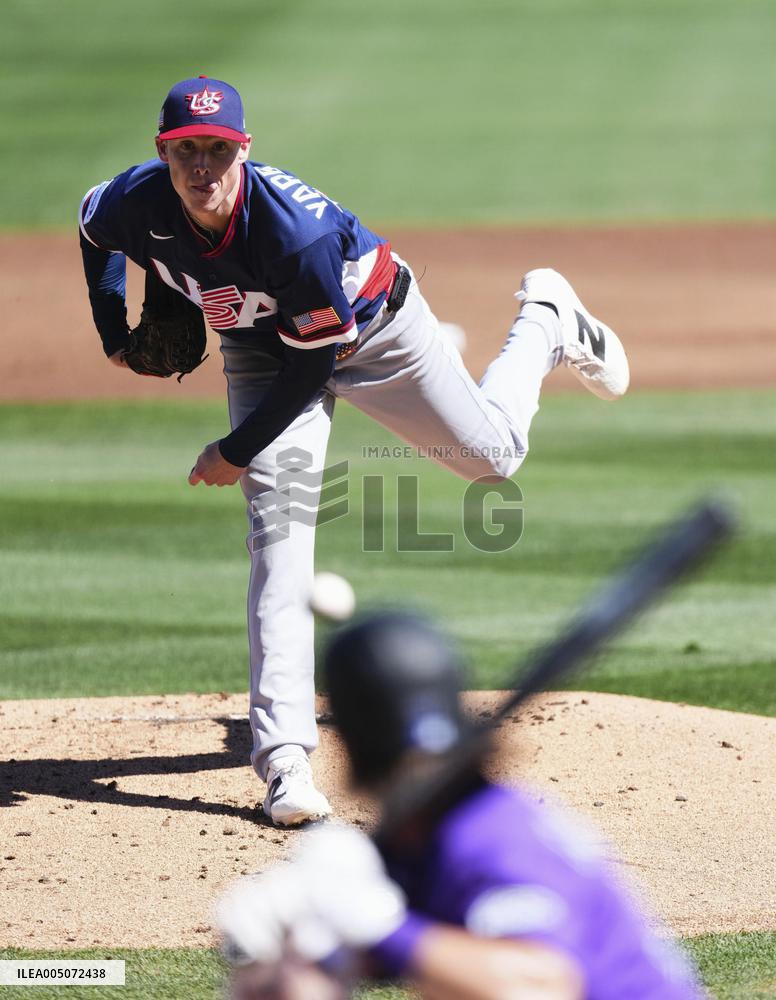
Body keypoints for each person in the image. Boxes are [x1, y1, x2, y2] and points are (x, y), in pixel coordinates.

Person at [79, 75, 630, 827]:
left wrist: (235, 449)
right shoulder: (133, 202)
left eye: (216, 150)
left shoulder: (289, 234)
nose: (200, 168)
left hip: (376, 332)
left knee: (493, 457)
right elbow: (92, 229)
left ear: (243, 151)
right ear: (162, 152)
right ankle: (285, 764)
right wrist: (114, 333)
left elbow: (315, 363)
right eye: (185, 152)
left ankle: (548, 317)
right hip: (261, 348)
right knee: (279, 533)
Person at [216, 612, 705, 1000]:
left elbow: (541, 988)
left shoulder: (490, 833)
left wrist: (381, 926)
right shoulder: (416, 842)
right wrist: (283, 954)